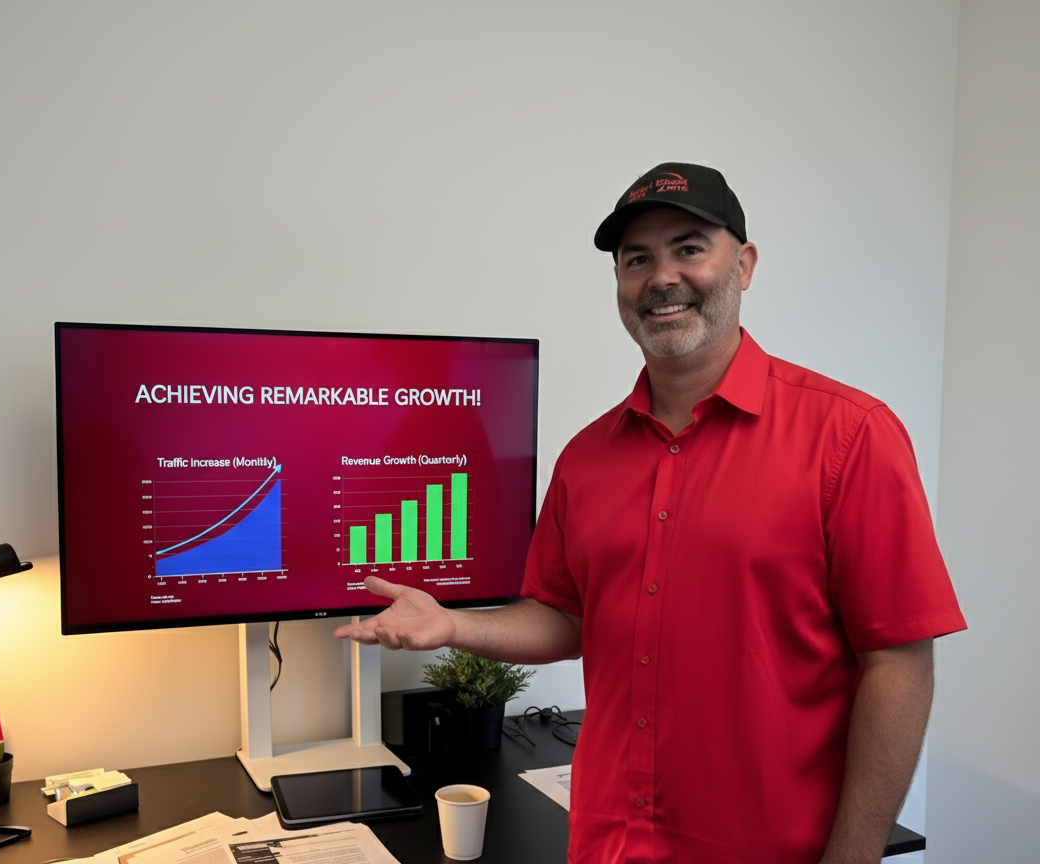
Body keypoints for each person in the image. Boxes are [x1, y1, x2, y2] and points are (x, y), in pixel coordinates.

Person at [335, 162, 966, 864]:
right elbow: (567, 617)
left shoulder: (850, 436)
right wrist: (452, 624)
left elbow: (899, 664)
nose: (662, 276)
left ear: (745, 264)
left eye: (689, 248)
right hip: (609, 843)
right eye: (638, 259)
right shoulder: (586, 457)